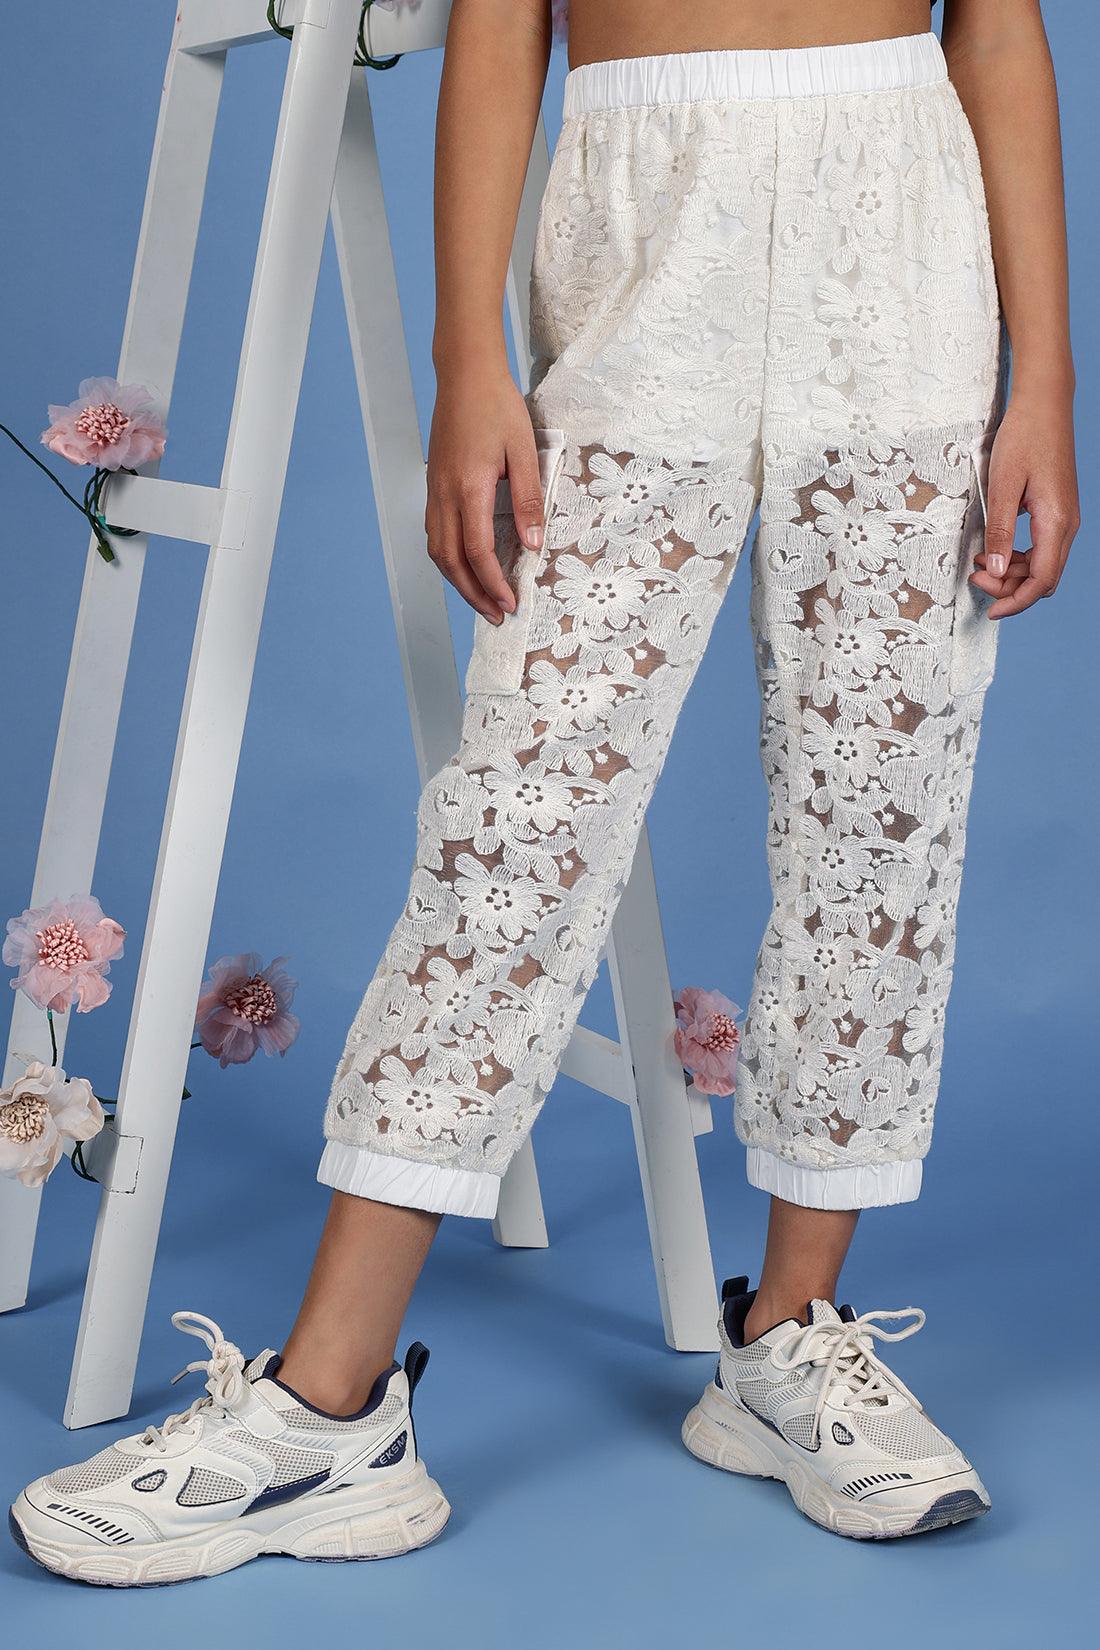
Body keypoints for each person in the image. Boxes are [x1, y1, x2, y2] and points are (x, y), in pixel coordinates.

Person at [11, 0, 1078, 1581]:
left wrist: (1046, 379)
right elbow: (504, 23)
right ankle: (328, 1408)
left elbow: (995, 30)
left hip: (906, 230)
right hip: (646, 218)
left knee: (880, 814)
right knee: (516, 824)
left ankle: (789, 1341)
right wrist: (470, 357)